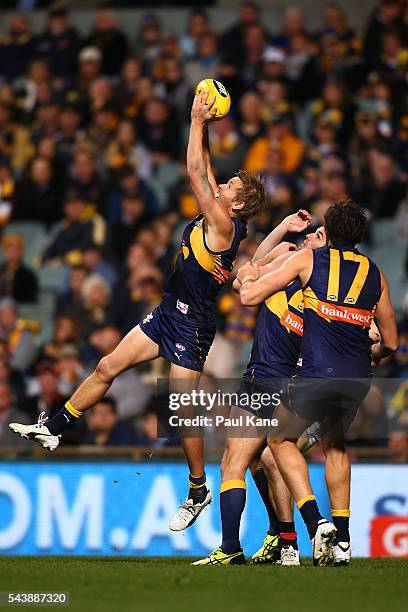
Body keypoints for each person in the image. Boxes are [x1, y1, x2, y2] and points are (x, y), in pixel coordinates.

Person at [9, 91, 266, 533]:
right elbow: (204, 168)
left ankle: (198, 488)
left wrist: (194, 118)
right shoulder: (220, 214)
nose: (222, 186)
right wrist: (204, 126)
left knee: (180, 409)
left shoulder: (224, 225)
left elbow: (193, 171)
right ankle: (56, 426)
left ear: (237, 205)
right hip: (168, 311)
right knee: (109, 364)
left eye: (230, 189)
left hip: (193, 325)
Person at [237, 199, 398, 565]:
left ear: (330, 229)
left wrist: (248, 275)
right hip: (356, 378)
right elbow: (390, 342)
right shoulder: (376, 273)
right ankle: (342, 541)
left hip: (315, 374)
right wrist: (374, 356)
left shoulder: (309, 259)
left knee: (279, 439)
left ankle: (315, 521)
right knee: (335, 446)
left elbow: (248, 297)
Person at [193, 220, 330, 567]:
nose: (309, 235)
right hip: (273, 381)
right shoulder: (293, 267)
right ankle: (272, 540)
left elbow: (246, 283)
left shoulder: (312, 283)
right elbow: (243, 275)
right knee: (250, 459)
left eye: (319, 234)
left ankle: (264, 544)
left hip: (284, 384)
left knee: (255, 460)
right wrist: (281, 231)